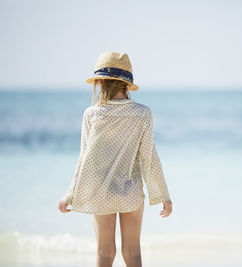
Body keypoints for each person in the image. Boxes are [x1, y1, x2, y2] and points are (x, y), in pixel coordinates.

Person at [57, 51, 172, 267]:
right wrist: (162, 194)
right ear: (127, 84)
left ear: (100, 81)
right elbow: (149, 157)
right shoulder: (142, 113)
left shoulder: (91, 114)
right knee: (133, 253)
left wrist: (70, 194)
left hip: (102, 191)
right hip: (130, 190)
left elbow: (84, 159)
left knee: (104, 253)